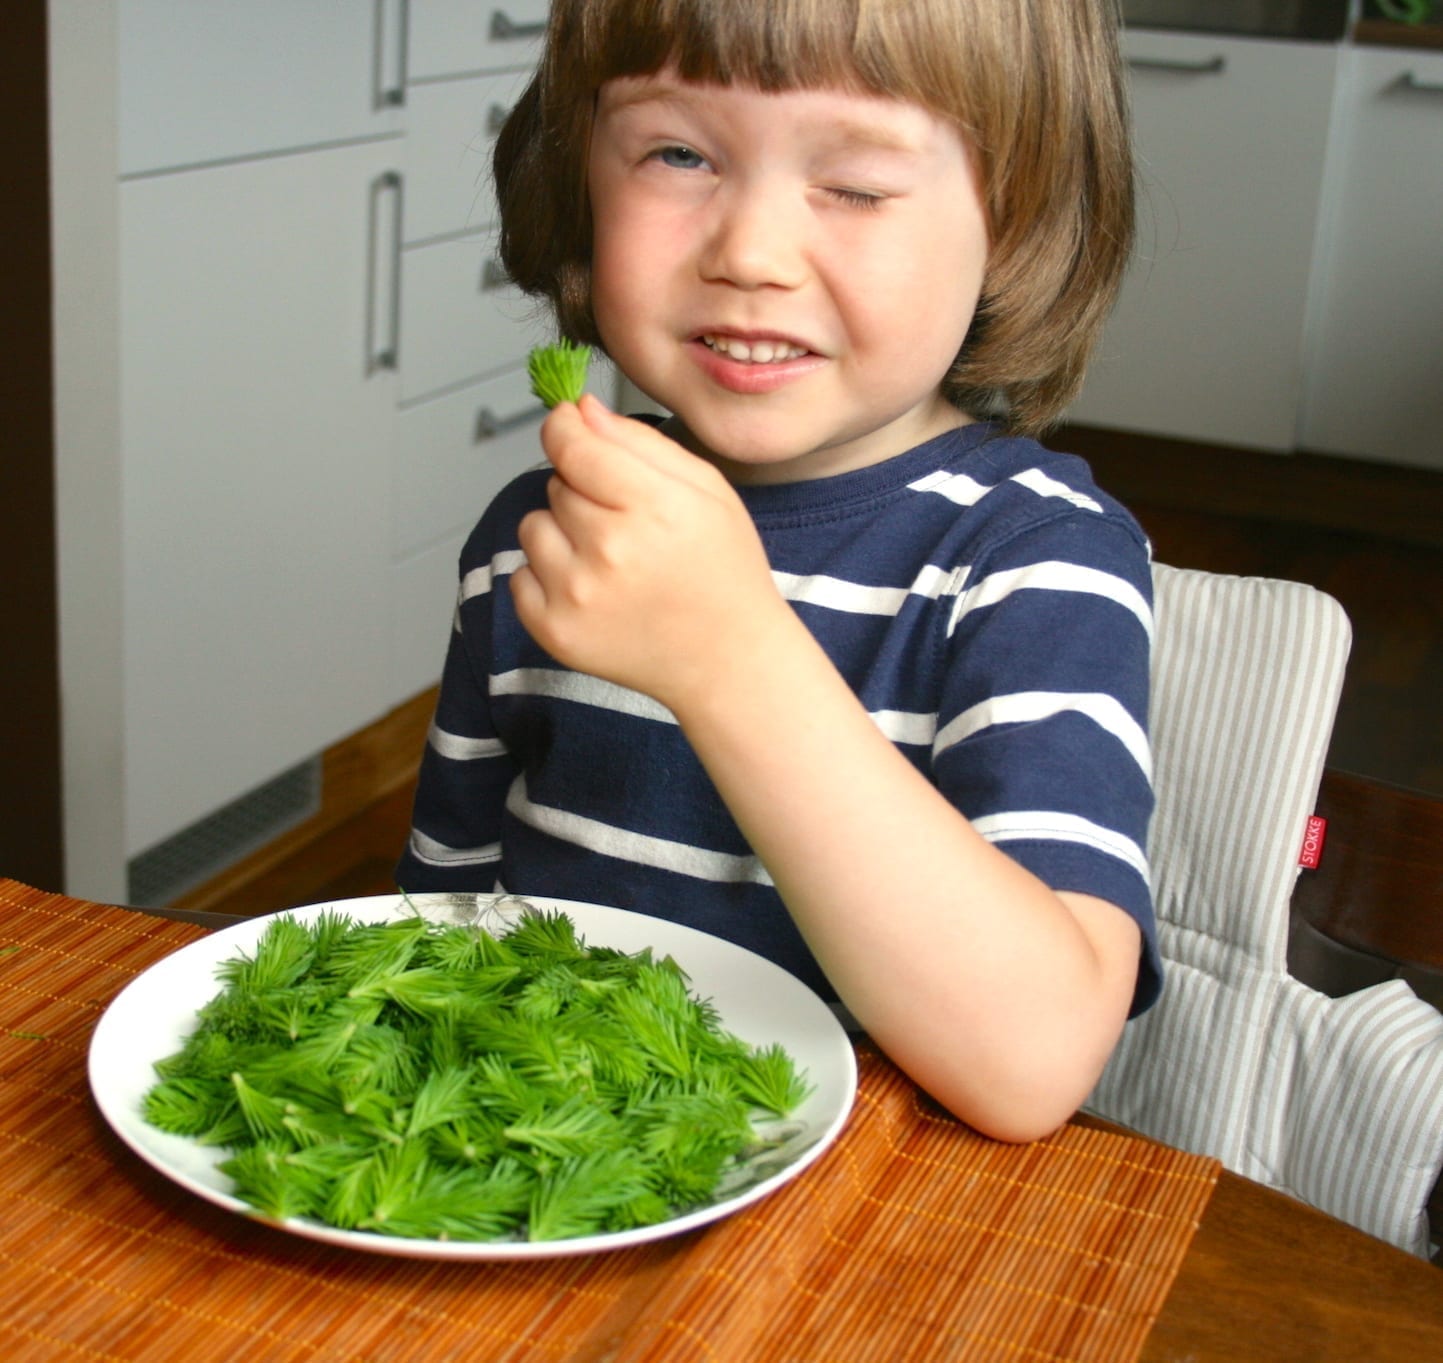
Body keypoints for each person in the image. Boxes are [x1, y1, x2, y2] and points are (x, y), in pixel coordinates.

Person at [397, 0, 1160, 1143]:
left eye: (854, 184)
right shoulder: (546, 536)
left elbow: (1034, 1060)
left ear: (1017, 218)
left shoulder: (1033, 560)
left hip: (867, 1242)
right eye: (679, 154)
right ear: (577, 178)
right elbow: (442, 925)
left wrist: (727, 655)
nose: (749, 252)